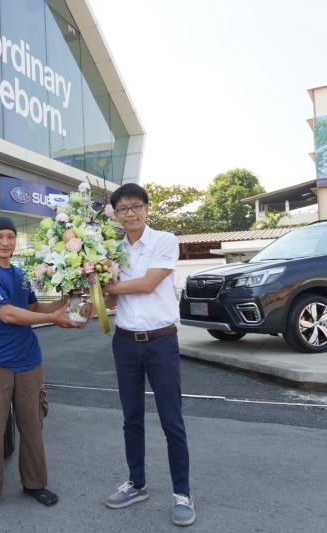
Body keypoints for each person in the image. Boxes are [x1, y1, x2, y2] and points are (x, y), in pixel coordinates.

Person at [0, 216, 86, 521]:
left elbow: (30, 308)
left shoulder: (21, 274)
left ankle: (34, 483)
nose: (5, 242)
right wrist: (53, 318)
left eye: (10, 236)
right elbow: (8, 314)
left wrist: (66, 302)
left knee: (32, 426)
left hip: (28, 361)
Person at [101, 184, 196, 527]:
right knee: (131, 418)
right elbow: (112, 301)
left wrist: (105, 285)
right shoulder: (111, 250)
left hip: (161, 341)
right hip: (125, 341)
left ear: (146, 208)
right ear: (115, 214)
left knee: (172, 420)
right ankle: (136, 483)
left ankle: (182, 493)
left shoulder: (164, 241)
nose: (131, 214)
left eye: (136, 206)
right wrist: (89, 285)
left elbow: (148, 283)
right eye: (123, 209)